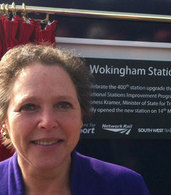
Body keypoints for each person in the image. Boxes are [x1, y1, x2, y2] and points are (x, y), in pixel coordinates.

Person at [0, 44, 150, 195]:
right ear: (4, 123)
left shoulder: (124, 187)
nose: (48, 122)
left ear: (81, 117)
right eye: (29, 107)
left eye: (63, 105)